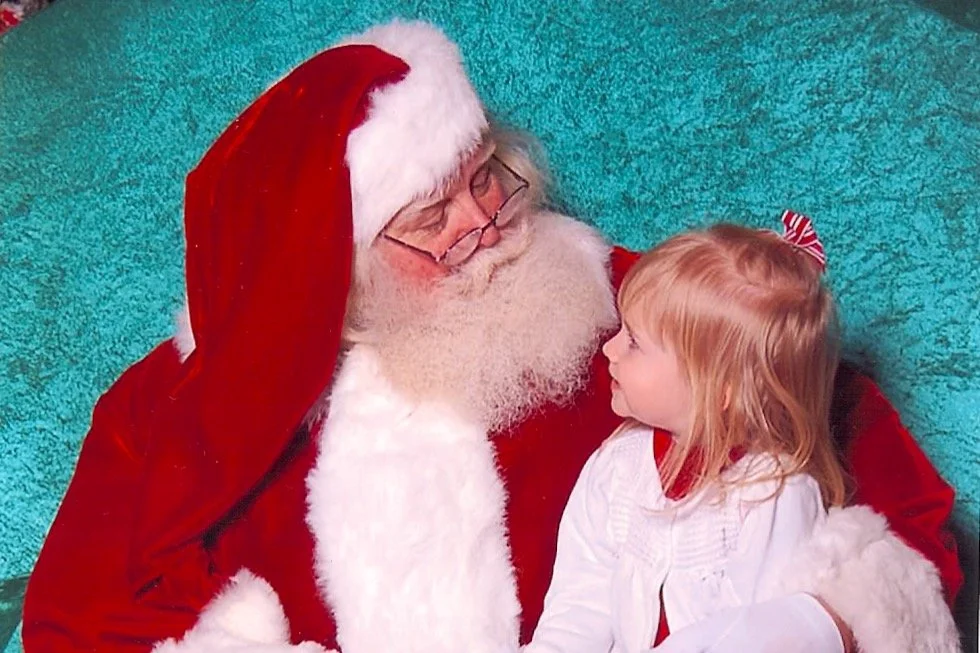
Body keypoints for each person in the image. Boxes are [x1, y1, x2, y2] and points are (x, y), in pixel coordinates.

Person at [22, 19, 961, 653]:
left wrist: (832, 617)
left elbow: (818, 413)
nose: (483, 220)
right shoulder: (182, 405)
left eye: (486, 175)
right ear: (330, 263)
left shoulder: (620, 298)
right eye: (430, 215)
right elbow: (80, 611)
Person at [526, 216, 957, 653]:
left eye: (634, 341)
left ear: (720, 390)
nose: (610, 350)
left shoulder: (773, 492)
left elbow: (752, 638)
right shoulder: (616, 467)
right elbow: (578, 604)